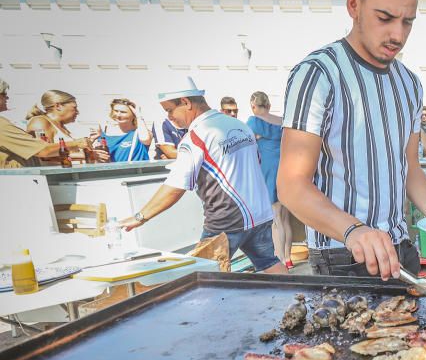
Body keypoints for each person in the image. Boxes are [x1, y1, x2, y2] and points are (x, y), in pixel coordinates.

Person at [277, 0, 426, 279]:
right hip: (342, 253)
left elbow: (410, 167)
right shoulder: (318, 73)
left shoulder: (410, 83)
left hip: (402, 250)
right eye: (385, 18)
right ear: (353, 5)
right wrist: (354, 230)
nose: (398, 36)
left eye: (408, 22)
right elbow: (291, 185)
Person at [120, 78, 284, 273]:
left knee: (205, 278)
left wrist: (140, 217)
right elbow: (256, 162)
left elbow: (175, 186)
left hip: (227, 220)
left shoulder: (197, 136)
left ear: (186, 102)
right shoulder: (239, 126)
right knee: (270, 263)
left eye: (169, 110)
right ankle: (297, 301)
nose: (170, 117)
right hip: (260, 213)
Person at [247, 90, 293, 271]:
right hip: (286, 169)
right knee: (285, 218)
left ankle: (280, 259)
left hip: (268, 171)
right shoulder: (282, 121)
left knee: (276, 220)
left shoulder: (253, 122)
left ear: (253, 106)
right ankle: (288, 257)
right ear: (269, 105)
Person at [0, 79, 94, 168]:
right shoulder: (38, 122)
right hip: (23, 181)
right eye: (4, 94)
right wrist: (78, 145)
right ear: (58, 106)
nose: (7, 97)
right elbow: (43, 153)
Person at [92, 98, 153, 162]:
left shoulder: (140, 132)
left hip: (134, 170)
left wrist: (139, 116)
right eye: (116, 111)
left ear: (133, 114)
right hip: (111, 171)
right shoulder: (104, 134)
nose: (118, 115)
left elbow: (145, 139)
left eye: (123, 112)